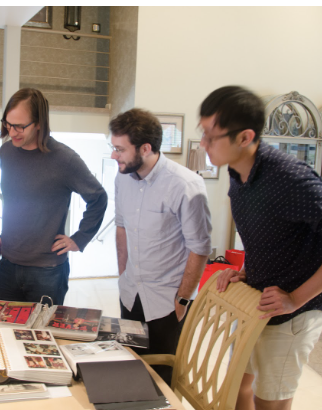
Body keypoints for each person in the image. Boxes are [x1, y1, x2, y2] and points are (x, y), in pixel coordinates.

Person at [199, 85, 322, 410]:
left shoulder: (290, 179)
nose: (203, 144)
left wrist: (295, 298)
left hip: (295, 311)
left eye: (210, 135)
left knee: (269, 401)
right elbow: (271, 233)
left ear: (244, 137)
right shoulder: (236, 171)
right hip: (257, 299)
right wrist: (245, 271)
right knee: (236, 387)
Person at [110, 108, 212, 384]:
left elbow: (200, 247)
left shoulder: (186, 185)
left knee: (162, 378)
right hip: (131, 294)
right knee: (130, 369)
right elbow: (121, 226)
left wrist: (183, 299)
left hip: (167, 302)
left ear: (145, 148)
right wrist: (123, 274)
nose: (113, 156)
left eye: (119, 149)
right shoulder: (122, 178)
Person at [0, 88, 108, 305]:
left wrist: (79, 238)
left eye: (20, 126)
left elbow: (98, 197)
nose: (12, 132)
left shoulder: (64, 159)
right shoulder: (6, 152)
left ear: (39, 123)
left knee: (42, 336)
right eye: (8, 124)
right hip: (9, 264)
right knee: (7, 333)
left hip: (46, 272)